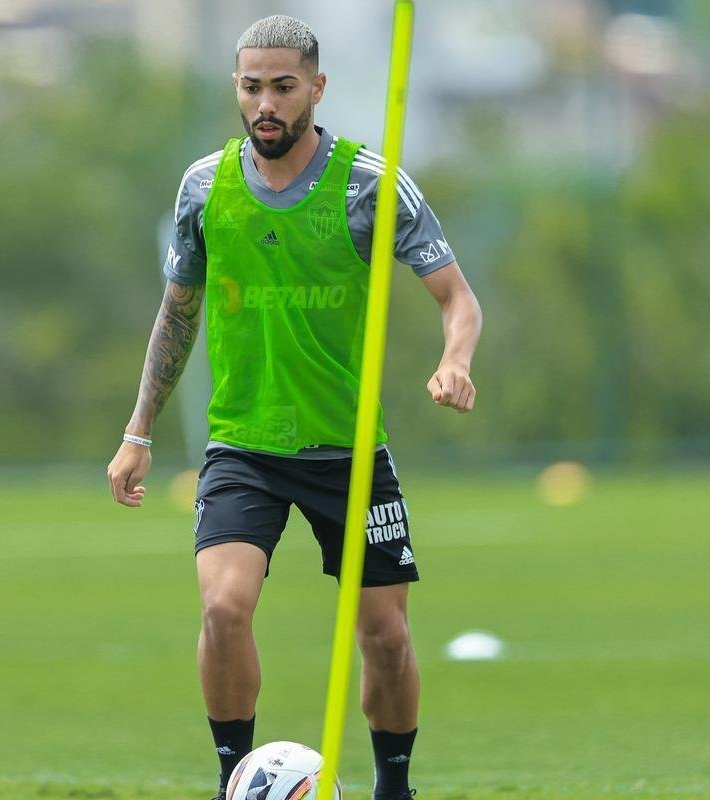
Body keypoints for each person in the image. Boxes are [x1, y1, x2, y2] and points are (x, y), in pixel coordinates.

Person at [106, 14, 482, 800]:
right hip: (243, 446)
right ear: (235, 89)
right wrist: (138, 430)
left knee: (384, 636)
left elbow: (456, 297)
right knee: (223, 608)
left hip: (349, 451)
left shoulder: (369, 184)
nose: (266, 103)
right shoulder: (204, 187)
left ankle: (394, 788)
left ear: (316, 87)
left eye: (283, 87)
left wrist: (454, 362)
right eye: (252, 87)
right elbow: (177, 314)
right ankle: (231, 781)